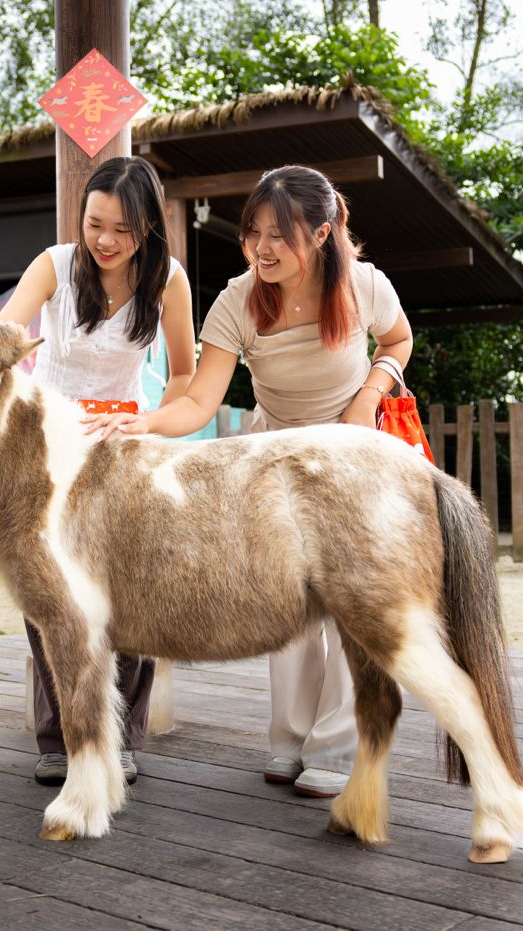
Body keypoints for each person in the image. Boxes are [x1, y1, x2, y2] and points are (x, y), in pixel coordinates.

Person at [86, 165, 414, 799]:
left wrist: (370, 394)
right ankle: (290, 740)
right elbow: (199, 399)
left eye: (279, 235)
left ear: (322, 233)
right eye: (253, 232)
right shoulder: (238, 299)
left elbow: (398, 341)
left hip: (350, 456)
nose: (262, 248)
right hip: (278, 459)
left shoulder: (364, 284)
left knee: (352, 606)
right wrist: (144, 423)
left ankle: (335, 748)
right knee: (286, 598)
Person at [0, 155, 196, 786]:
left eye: (122, 229)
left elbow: (185, 375)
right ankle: (59, 735)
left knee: (132, 587)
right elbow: (6, 331)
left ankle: (120, 736)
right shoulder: (54, 266)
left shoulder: (169, 281)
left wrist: (151, 426)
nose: (105, 240)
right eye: (95, 224)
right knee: (46, 589)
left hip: (122, 448)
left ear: (148, 226)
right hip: (47, 447)